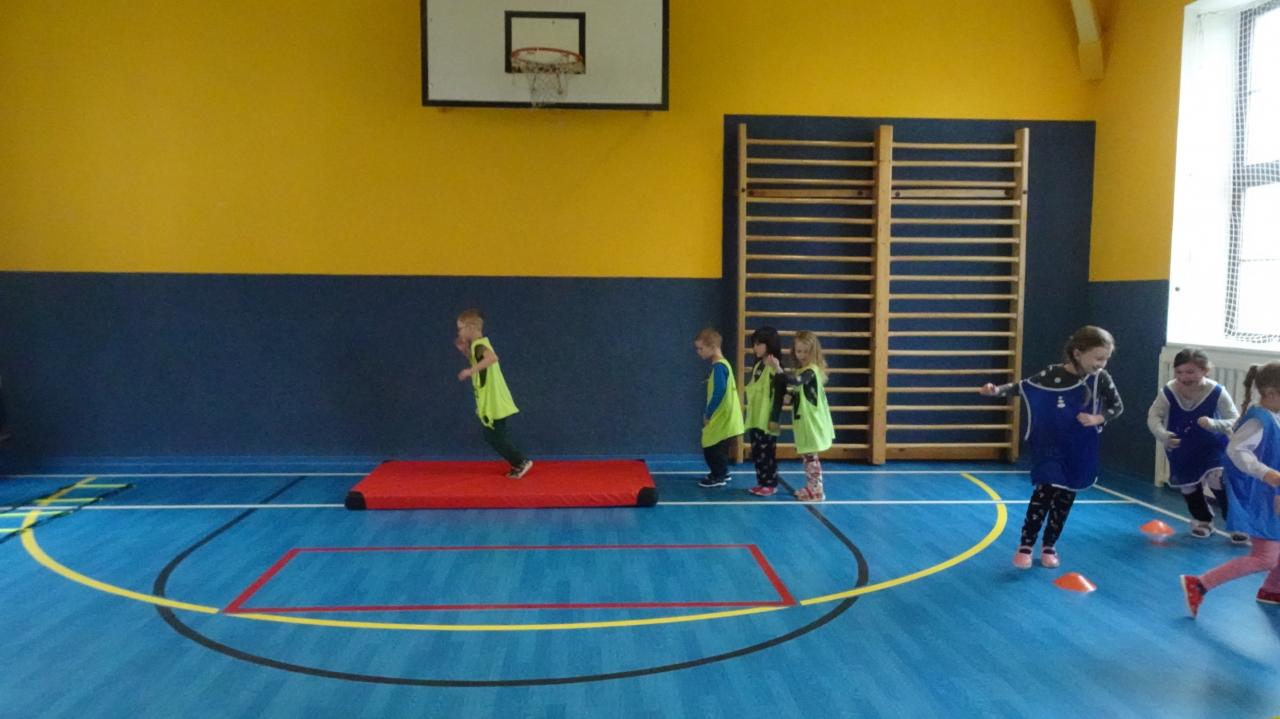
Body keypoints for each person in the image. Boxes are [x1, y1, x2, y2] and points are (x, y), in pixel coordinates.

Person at [980, 325, 1123, 569]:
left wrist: (1097, 418)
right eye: (1098, 358)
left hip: (1078, 449)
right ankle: (1026, 545)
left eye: (1106, 359)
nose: (1102, 364)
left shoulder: (1101, 379)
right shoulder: (1052, 374)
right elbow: (1022, 386)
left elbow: (1117, 406)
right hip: (1050, 446)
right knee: (1043, 493)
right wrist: (997, 391)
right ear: (1078, 353)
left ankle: (1049, 546)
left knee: (1064, 499)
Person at [1180, 362, 1280, 618]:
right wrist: (1266, 474)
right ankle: (1200, 584)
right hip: (1264, 498)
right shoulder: (1259, 421)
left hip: (1274, 494)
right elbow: (1236, 451)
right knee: (1265, 558)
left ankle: (1272, 590)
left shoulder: (1274, 416)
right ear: (1271, 392)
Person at [1147, 347, 1243, 541]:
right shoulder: (1168, 391)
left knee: (1218, 481)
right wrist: (1163, 434)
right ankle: (1202, 520)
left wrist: (1214, 424)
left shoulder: (1217, 392)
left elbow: (1235, 419)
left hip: (1213, 446)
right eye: (1179, 372)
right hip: (1182, 448)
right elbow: (1153, 417)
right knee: (1189, 486)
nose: (1184, 377)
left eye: (1190, 372)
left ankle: (1236, 525)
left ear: (1205, 370)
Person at [455, 308, 533, 479]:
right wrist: (465, 352)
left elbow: (492, 358)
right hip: (491, 400)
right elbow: (480, 361)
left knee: (495, 435)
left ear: (471, 328)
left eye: (460, 328)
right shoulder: (476, 346)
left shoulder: (480, 345)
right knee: (493, 435)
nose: (459, 332)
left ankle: (521, 462)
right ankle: (519, 462)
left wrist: (469, 371)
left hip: (495, 400)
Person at [767, 330, 834, 502]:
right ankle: (812, 487)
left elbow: (796, 381)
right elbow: (801, 391)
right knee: (808, 457)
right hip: (804, 420)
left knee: (811, 457)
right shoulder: (804, 370)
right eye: (799, 351)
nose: (802, 355)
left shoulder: (810, 371)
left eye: (806, 352)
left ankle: (817, 491)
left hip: (811, 421)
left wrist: (778, 370)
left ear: (814, 352)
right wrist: (791, 396)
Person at [695, 328, 745, 488]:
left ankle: (718, 475)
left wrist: (708, 413)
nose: (698, 352)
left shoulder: (719, 366)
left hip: (722, 414)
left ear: (713, 347)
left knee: (710, 446)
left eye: (701, 348)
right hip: (726, 415)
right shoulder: (722, 365)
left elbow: (719, 391)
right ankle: (721, 471)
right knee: (719, 446)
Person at [745, 327, 788, 497]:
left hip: (768, 418)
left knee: (767, 453)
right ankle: (761, 482)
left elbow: (780, 391)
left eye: (759, 344)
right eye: (754, 344)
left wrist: (774, 418)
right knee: (757, 452)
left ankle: (770, 483)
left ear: (769, 345)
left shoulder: (774, 367)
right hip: (755, 418)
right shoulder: (758, 365)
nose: (755, 348)